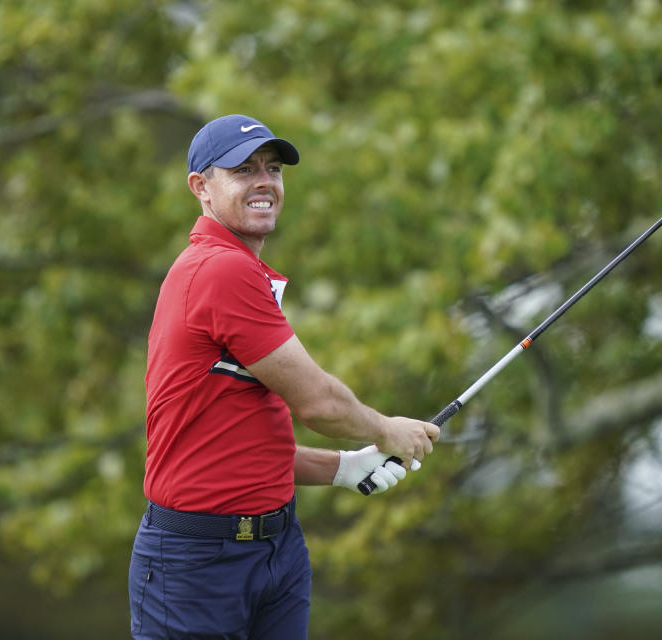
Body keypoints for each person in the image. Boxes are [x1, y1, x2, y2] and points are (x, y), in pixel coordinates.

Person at [128, 114, 440, 640]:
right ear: (200, 188)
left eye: (272, 169)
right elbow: (318, 403)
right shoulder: (220, 270)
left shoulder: (238, 270)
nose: (264, 182)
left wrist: (343, 467)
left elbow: (234, 444)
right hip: (198, 563)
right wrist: (387, 430)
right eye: (243, 170)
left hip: (276, 549)